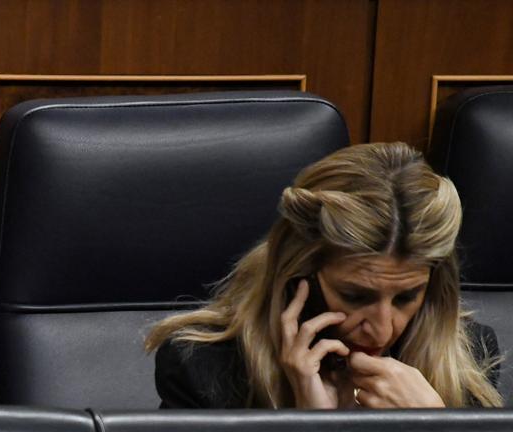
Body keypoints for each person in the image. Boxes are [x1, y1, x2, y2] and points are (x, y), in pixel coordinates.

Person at [147, 142, 502, 409]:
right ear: (298, 276)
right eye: (355, 296)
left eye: (406, 297)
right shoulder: (204, 370)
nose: (382, 329)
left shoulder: (467, 360)